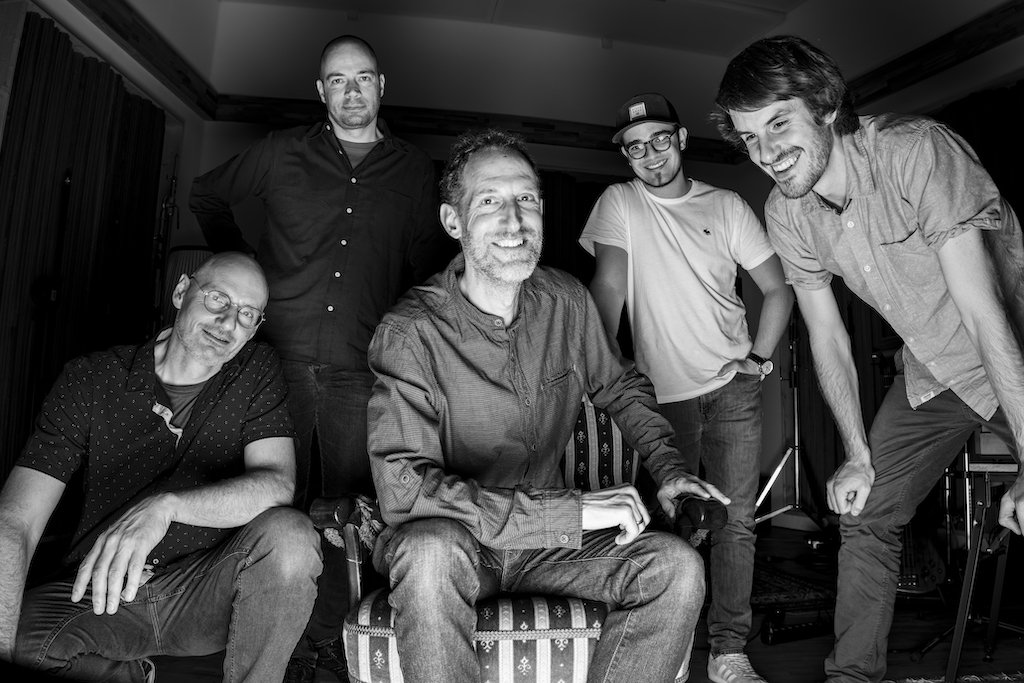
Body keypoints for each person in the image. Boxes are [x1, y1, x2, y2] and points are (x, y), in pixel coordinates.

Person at [366, 128, 731, 682]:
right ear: (453, 222)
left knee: (675, 567)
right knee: (430, 551)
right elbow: (405, 490)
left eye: (526, 199)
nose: (514, 221)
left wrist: (670, 469)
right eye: (490, 202)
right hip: (458, 544)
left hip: (547, 549)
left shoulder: (566, 301)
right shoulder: (409, 333)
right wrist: (571, 512)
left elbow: (620, 387)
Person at [713, 35, 1024, 682]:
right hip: (935, 371)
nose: (766, 153)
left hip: (1011, 351)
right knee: (865, 511)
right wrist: (856, 453)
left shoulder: (915, 152)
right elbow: (827, 336)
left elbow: (982, 315)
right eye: (749, 137)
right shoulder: (787, 213)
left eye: (778, 124)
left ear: (827, 106)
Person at [189, 35, 451, 682]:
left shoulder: (417, 172)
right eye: (338, 80)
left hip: (362, 367)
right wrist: (245, 270)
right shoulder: (281, 151)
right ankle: (261, 639)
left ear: (382, 85)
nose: (351, 91)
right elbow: (206, 194)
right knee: (271, 503)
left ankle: (326, 643)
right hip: (274, 360)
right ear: (320, 90)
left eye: (362, 78)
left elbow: (428, 266)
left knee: (347, 511)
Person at [0, 252, 322, 682]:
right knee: (18, 642)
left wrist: (165, 508)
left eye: (247, 314)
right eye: (218, 299)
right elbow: (17, 521)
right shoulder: (92, 378)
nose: (228, 322)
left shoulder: (257, 369)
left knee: (291, 537)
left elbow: (277, 485)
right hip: (102, 590)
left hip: (205, 590)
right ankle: (131, 674)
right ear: (181, 291)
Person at [579, 92, 793, 683]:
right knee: (663, 519)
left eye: (659, 139)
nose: (650, 155)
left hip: (732, 388)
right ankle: (665, 649)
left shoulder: (726, 206)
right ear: (626, 156)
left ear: (680, 140)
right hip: (658, 395)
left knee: (736, 521)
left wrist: (759, 358)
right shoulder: (620, 202)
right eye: (635, 147)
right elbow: (609, 287)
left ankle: (728, 652)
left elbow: (778, 289)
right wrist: (600, 365)